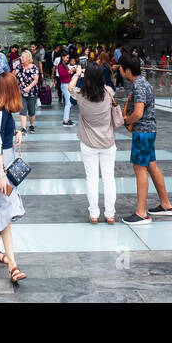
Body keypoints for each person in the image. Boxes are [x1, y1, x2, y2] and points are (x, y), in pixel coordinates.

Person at [118, 54, 172, 226]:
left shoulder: (139, 86)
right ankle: (166, 205)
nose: (119, 70)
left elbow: (138, 113)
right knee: (151, 165)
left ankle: (141, 213)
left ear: (127, 70)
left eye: (121, 67)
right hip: (149, 131)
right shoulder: (143, 82)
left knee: (140, 169)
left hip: (142, 132)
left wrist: (126, 120)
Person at [0, 70, 27, 284]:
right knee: (6, 208)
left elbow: (3, 136)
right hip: (0, 165)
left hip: (5, 162)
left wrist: (16, 132)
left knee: (4, 207)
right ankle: (13, 264)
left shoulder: (3, 111)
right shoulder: (1, 112)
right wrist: (1, 174)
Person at [70, 61, 118, 224]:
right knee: (109, 178)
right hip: (108, 142)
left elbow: (70, 88)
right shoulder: (109, 92)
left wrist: (77, 73)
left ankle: (94, 214)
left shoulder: (81, 94)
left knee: (91, 178)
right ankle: (110, 214)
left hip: (88, 143)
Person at [15, 48, 40, 134]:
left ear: (28, 58)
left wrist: (29, 87)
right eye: (21, 57)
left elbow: (36, 80)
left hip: (32, 92)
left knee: (32, 111)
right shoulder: (18, 67)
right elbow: (12, 76)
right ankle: (24, 128)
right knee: (23, 110)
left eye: (23, 57)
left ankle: (31, 125)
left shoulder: (34, 67)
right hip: (21, 92)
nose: (21, 59)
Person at [59, 53, 78, 126]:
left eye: (68, 58)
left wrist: (71, 72)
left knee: (69, 103)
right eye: (66, 58)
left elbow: (66, 75)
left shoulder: (64, 65)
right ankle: (65, 120)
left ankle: (66, 119)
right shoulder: (60, 65)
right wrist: (70, 71)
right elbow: (62, 76)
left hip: (67, 84)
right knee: (68, 103)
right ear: (62, 57)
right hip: (65, 85)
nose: (67, 59)